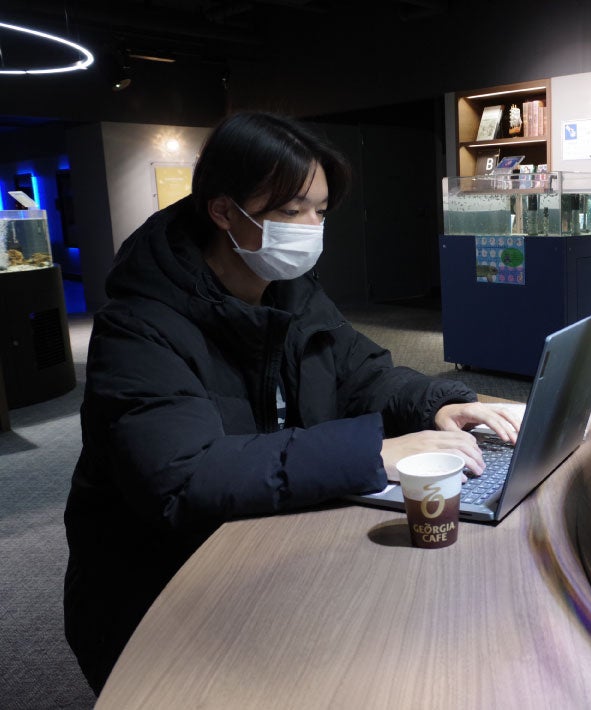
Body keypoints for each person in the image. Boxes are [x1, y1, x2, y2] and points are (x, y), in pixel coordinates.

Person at [63, 111, 521, 694]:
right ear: (223, 211)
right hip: (158, 589)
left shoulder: (291, 293)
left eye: (320, 212)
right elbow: (181, 478)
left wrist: (437, 403)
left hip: (265, 548)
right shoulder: (139, 326)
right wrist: (371, 453)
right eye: (290, 211)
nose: (310, 228)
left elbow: (360, 373)